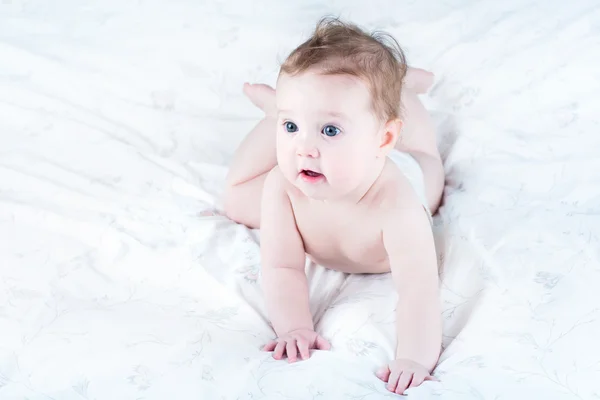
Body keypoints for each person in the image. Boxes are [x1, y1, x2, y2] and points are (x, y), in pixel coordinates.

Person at [222, 17, 444, 395]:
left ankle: (404, 86)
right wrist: (294, 327)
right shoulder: (284, 184)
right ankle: (276, 109)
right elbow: (282, 265)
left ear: (384, 138)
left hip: (404, 167)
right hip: (324, 169)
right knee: (235, 197)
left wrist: (414, 358)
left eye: (330, 130)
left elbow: (418, 290)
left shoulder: (397, 205)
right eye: (290, 127)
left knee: (423, 152)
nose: (305, 148)